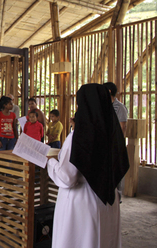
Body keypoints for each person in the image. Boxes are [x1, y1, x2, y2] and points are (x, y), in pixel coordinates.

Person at [46, 84, 129, 248]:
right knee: (105, 240)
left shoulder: (79, 136)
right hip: (108, 200)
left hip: (82, 202)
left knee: (83, 241)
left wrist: (50, 162)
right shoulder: (115, 133)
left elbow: (67, 177)